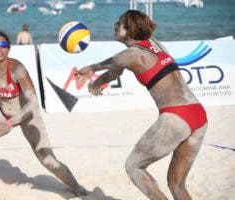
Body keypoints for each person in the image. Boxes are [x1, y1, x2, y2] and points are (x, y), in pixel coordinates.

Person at [74, 10, 207, 200]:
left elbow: (112, 71)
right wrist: (92, 67)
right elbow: (116, 59)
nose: (115, 25)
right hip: (198, 115)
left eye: (119, 23)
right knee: (176, 184)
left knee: (133, 167)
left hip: (176, 117)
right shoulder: (154, 43)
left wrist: (94, 84)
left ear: (129, 29)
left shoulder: (129, 56)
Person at [0, 31, 86, 196]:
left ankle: (77, 187)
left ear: (9, 49)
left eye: (4, 45)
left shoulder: (16, 68)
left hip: (27, 114)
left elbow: (33, 102)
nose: (0, 49)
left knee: (47, 159)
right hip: (3, 111)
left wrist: (11, 122)